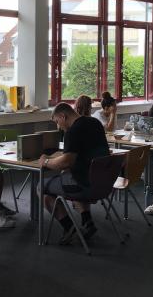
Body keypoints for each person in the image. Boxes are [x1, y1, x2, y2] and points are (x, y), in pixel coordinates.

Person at [39, 103, 110, 245]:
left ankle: (70, 228)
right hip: (104, 182)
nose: (58, 127)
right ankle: (87, 221)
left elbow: (66, 162)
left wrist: (45, 162)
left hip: (85, 185)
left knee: (41, 187)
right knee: (68, 176)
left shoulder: (72, 131)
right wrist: (58, 159)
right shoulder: (94, 122)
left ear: (63, 116)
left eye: (57, 122)